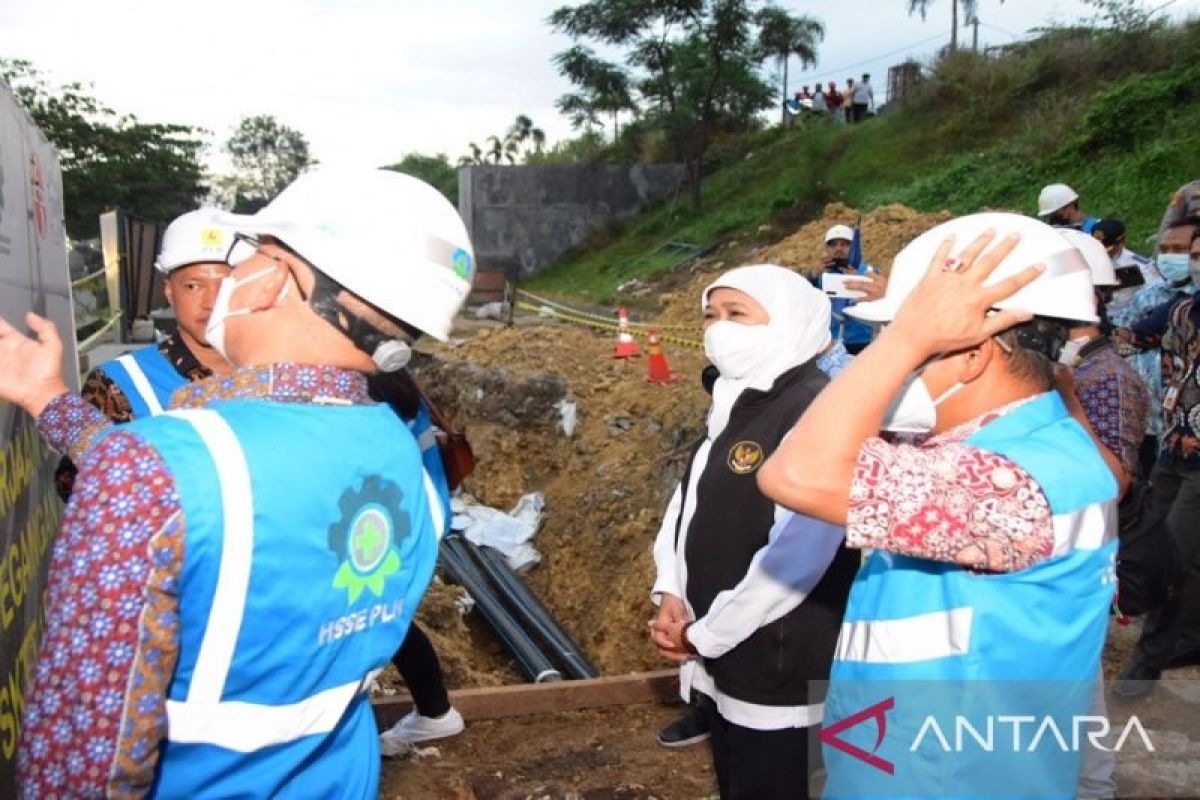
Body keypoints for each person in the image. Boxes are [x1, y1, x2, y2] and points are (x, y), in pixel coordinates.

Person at [0, 168, 474, 798]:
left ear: (274, 280)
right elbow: (199, 488)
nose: (227, 280)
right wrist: (47, 396)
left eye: (249, 255)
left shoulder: (158, 469)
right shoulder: (401, 443)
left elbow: (84, 760)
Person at [759, 212, 1119, 798]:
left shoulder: (1009, 482)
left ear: (974, 354)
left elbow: (794, 472)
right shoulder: (1015, 449)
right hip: (902, 760)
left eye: (904, 343)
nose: (886, 357)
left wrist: (907, 336)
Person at [649, 265, 859, 799]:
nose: (719, 329)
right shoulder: (738, 396)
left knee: (773, 781)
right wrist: (671, 587)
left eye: (737, 314)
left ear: (790, 321)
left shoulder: (816, 407)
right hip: (720, 637)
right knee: (736, 776)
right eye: (711, 316)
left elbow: (798, 559)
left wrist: (707, 634)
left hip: (777, 650)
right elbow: (689, 498)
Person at [53, 210, 237, 502]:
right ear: (168, 291)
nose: (211, 303)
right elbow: (76, 490)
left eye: (226, 284)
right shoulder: (119, 383)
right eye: (193, 286)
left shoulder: (283, 375)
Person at [1114, 219, 1200, 697]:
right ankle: (1185, 639)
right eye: (1195, 255)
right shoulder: (1182, 310)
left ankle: (1146, 665)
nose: (1192, 263)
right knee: (1156, 547)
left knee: (1179, 556)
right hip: (1173, 448)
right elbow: (1131, 334)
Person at [367, 370, 467, 755]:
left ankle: (434, 712)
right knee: (385, 613)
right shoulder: (398, 383)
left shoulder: (363, 396)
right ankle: (435, 711)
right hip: (415, 513)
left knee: (375, 613)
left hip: (385, 519)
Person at [1097, 217, 1176, 475]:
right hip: (1118, 336)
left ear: (1120, 241)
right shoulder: (1094, 261)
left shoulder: (1140, 268)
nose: (1104, 249)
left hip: (1142, 345)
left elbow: (1153, 310)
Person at [813, 224, 882, 355]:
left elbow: (882, 298)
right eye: (833, 245)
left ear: (853, 247)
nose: (838, 248)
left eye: (844, 244)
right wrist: (812, 275)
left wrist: (860, 279)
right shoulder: (820, 275)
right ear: (827, 248)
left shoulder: (868, 271)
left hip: (864, 340)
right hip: (831, 342)